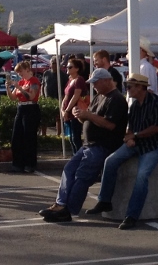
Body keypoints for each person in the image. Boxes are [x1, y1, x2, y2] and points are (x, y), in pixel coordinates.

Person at [39, 68, 129, 222]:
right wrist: (81, 115)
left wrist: (88, 115)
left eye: (96, 82)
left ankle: (69, 210)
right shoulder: (99, 96)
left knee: (83, 176)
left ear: (106, 81)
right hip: (89, 144)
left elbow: (110, 125)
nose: (94, 86)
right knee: (69, 169)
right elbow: (90, 117)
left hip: (102, 145)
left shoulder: (116, 99)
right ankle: (60, 204)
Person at [83, 72, 158, 229]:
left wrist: (134, 136)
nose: (127, 89)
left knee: (142, 175)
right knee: (110, 161)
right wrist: (129, 137)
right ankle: (104, 201)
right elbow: (131, 127)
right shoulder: (135, 105)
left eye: (129, 86)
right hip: (137, 142)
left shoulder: (157, 102)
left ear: (140, 87)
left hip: (154, 145)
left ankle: (131, 215)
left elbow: (157, 128)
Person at [8, 59, 42, 174]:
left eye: (21, 71)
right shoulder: (21, 82)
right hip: (21, 108)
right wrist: (8, 88)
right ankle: (17, 163)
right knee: (16, 137)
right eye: (18, 72)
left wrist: (19, 88)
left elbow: (31, 96)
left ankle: (30, 164)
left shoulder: (34, 81)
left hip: (31, 108)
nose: (19, 74)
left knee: (29, 137)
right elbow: (13, 98)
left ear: (27, 70)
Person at [60, 58, 89, 150]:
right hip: (67, 112)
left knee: (75, 137)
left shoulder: (79, 80)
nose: (67, 68)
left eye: (70, 67)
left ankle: (79, 155)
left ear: (77, 69)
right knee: (71, 137)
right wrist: (62, 110)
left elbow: (76, 96)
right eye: (67, 67)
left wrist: (67, 110)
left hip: (75, 112)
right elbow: (66, 96)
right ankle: (74, 155)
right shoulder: (70, 80)